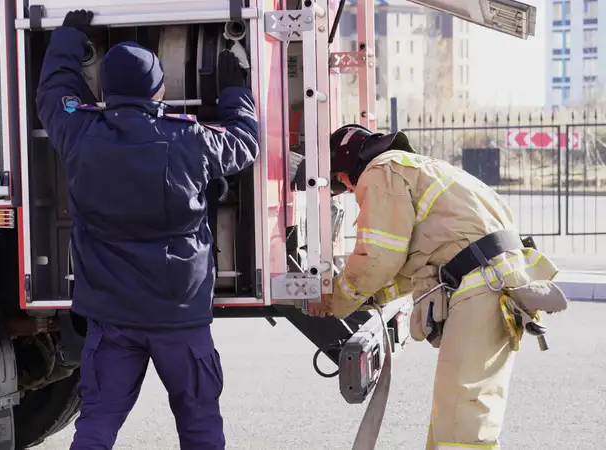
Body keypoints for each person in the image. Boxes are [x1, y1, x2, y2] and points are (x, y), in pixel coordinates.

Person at [35, 9, 260, 450]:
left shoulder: (80, 133)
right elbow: (244, 142)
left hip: (112, 318)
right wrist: (235, 89)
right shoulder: (190, 140)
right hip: (180, 316)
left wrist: (67, 38)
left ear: (106, 90)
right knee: (199, 426)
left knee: (96, 427)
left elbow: (54, 93)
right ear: (159, 88)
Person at [317, 124, 568, 449]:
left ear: (350, 165)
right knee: (455, 410)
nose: (350, 189)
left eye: (343, 181)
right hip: (495, 282)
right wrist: (370, 298)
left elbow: (379, 258)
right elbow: (411, 265)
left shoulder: (381, 171)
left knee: (462, 419)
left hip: (483, 288)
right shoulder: (421, 169)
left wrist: (333, 301)